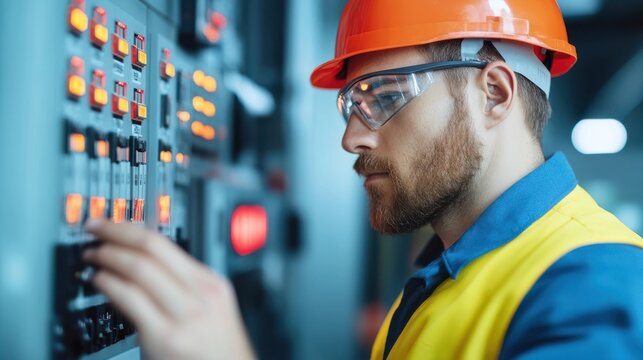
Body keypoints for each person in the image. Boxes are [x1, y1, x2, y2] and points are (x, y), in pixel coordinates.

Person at [84, 0, 643, 359]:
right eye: (352, 104)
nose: (352, 138)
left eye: (384, 98)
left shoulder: (594, 284)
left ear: (494, 94)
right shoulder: (447, 270)